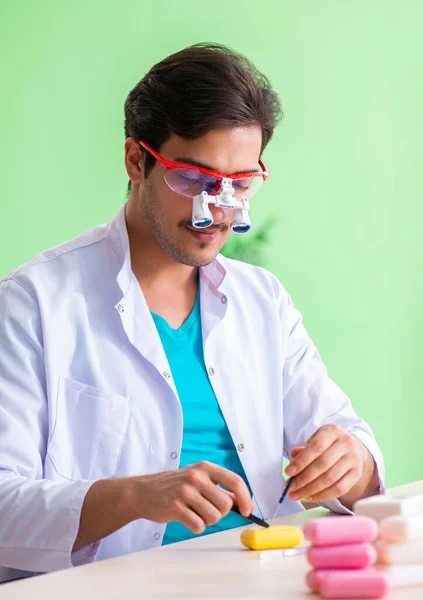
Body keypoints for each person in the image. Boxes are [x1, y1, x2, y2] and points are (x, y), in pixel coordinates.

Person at [0, 42, 384, 582]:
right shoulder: (34, 303)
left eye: (240, 185)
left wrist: (352, 461)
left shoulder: (262, 301)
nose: (218, 211)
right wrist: (133, 494)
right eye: (194, 180)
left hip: (264, 576)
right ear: (137, 160)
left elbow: (348, 442)